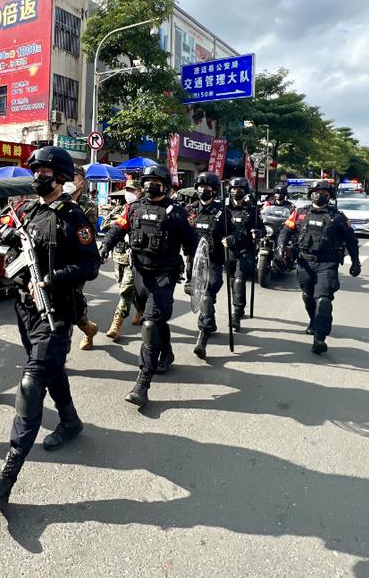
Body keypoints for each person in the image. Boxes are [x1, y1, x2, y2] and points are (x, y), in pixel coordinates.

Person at [0, 147, 101, 514]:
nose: (38, 176)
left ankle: (6, 479)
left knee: (31, 385)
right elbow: (5, 234)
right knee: (50, 368)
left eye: (45, 170)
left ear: (59, 176)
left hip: (56, 312)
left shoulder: (71, 216)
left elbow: (90, 264)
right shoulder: (28, 209)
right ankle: (71, 421)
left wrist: (50, 279)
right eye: (36, 170)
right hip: (25, 309)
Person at [100, 164, 197, 407]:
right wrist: (104, 247)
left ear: (166, 186)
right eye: (147, 180)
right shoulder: (133, 208)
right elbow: (117, 229)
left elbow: (193, 246)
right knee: (157, 321)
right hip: (139, 274)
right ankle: (168, 352)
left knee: (150, 325)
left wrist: (194, 275)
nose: (150, 185)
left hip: (164, 276)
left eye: (156, 181)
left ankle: (143, 382)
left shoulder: (176, 212)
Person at [277, 179, 360, 354]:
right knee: (307, 296)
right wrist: (280, 247)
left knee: (323, 299)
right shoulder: (299, 213)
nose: (319, 195)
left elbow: (351, 241)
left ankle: (319, 338)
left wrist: (355, 262)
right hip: (304, 262)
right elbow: (285, 230)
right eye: (315, 191)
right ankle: (313, 322)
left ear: (329, 196)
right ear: (310, 194)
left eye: (323, 193)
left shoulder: (337, 217)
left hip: (327, 263)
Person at [185, 172, 228, 359]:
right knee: (202, 298)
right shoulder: (190, 210)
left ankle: (202, 337)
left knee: (207, 294)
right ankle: (211, 321)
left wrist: (231, 239)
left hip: (214, 262)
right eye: (200, 187)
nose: (203, 191)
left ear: (215, 192)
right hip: (193, 262)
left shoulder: (221, 213)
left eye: (207, 188)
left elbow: (235, 233)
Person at [64, 166, 100, 350]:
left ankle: (64, 350)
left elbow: (88, 236)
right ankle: (88, 327)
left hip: (77, 262)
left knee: (70, 300)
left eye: (73, 178)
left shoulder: (88, 207)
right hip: (57, 259)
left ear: (81, 183)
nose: (68, 182)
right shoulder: (58, 199)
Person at [104, 179, 143, 340]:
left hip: (133, 256)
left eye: (133, 190)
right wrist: (119, 222)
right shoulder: (121, 208)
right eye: (127, 190)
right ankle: (141, 309)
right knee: (125, 287)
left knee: (125, 290)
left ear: (140, 191)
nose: (129, 193)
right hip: (118, 255)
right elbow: (105, 225)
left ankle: (116, 323)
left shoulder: (142, 209)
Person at [225, 177, 264, 328]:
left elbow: (261, 228)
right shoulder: (224, 209)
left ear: (245, 192)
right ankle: (238, 304)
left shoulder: (252, 210)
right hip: (228, 250)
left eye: (240, 189)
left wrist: (257, 232)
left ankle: (236, 312)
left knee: (239, 280)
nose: (236, 192)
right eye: (234, 189)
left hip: (245, 250)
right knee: (231, 281)